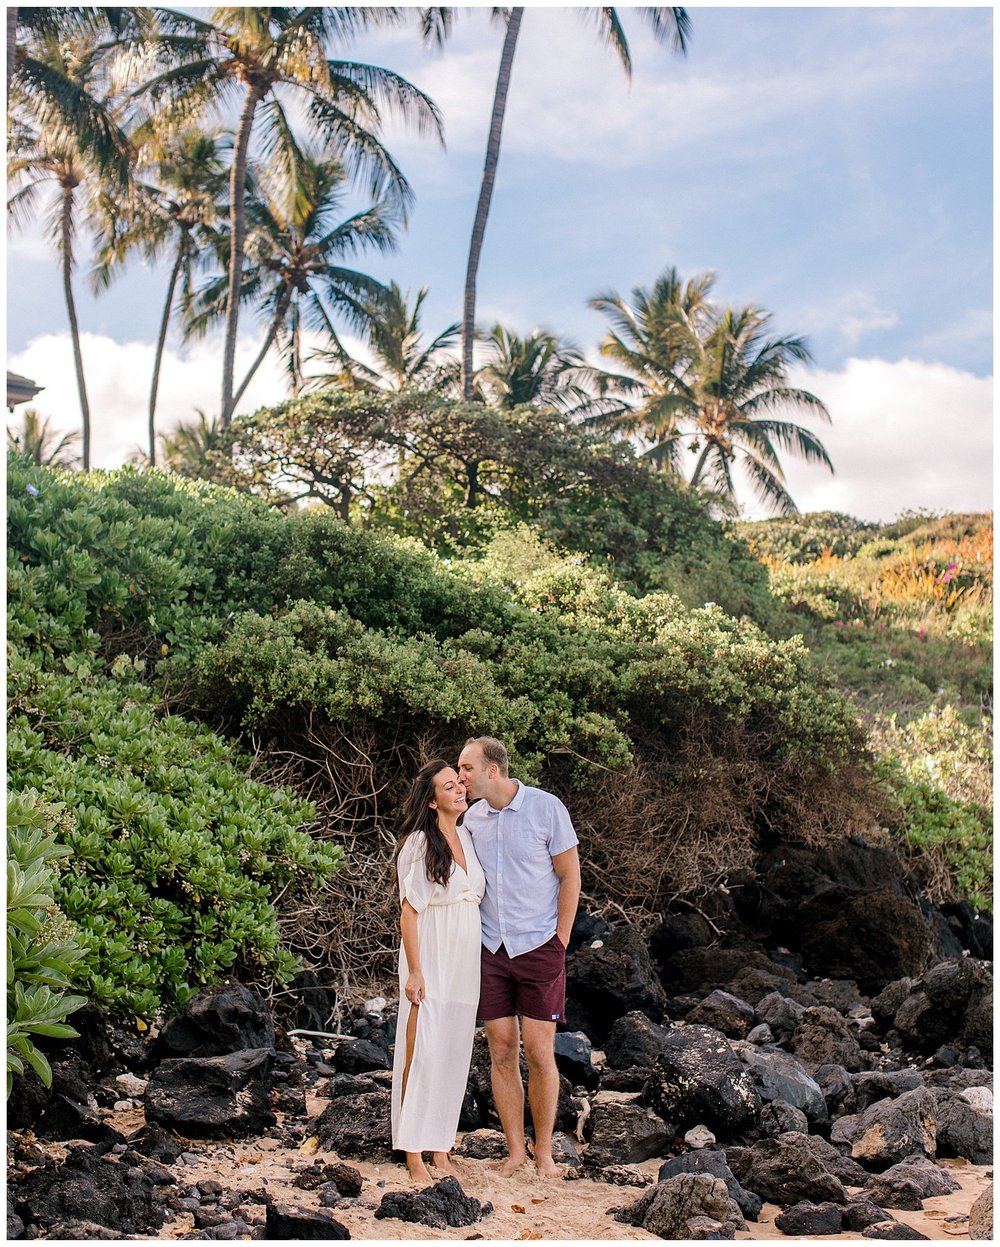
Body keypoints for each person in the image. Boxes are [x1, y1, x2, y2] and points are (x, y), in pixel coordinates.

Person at [457, 736, 581, 1177]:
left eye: (467, 768)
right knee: (502, 1049)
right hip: (491, 948)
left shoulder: (547, 808)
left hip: (539, 946)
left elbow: (570, 877)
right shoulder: (471, 819)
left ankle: (544, 1152)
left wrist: (560, 940)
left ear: (493, 770)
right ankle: (514, 1152)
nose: (461, 776)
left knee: (540, 1052)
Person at [390, 759, 485, 1184]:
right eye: (449, 787)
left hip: (465, 957)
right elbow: (409, 913)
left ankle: (440, 1147)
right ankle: (412, 1151)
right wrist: (415, 971)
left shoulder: (467, 835)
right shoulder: (419, 843)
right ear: (432, 801)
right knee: (422, 1048)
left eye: (459, 784)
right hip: (430, 953)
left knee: (452, 1049)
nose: (460, 790)